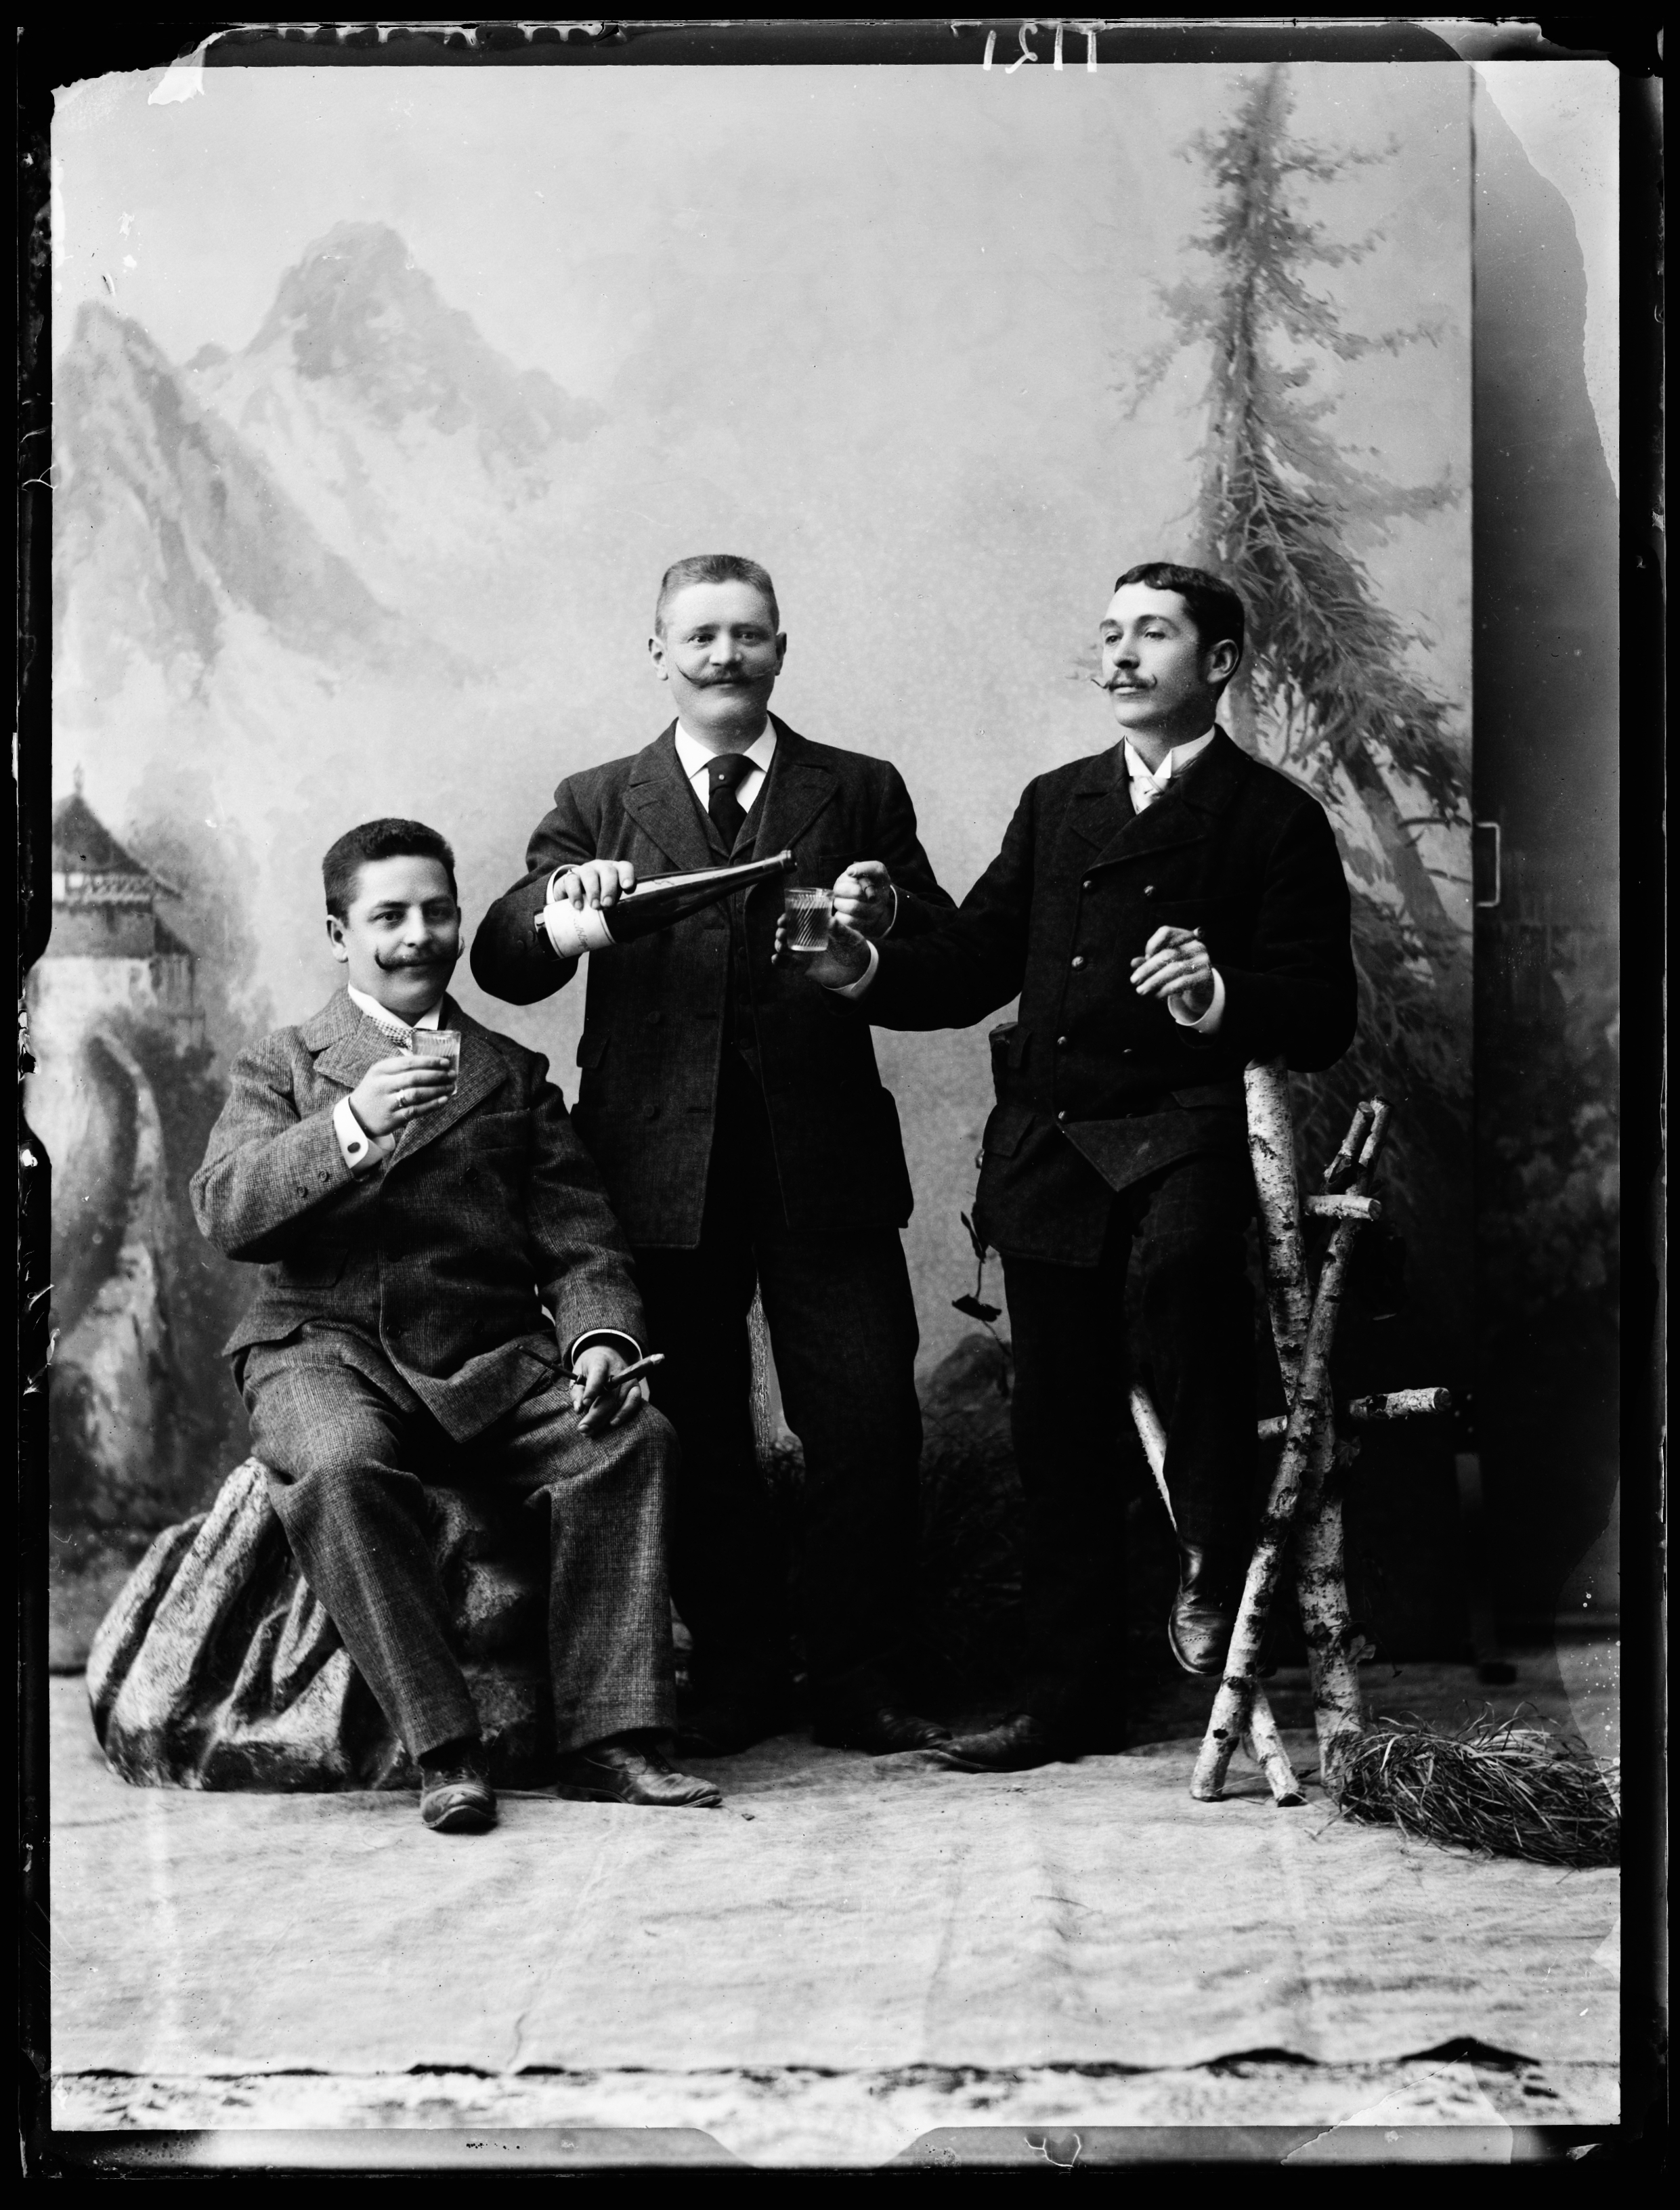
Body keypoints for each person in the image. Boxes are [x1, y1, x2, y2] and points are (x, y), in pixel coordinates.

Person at [802, 563, 1358, 1772]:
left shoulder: (1272, 819)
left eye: (1150, 634)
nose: (1119, 656)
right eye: (1109, 634)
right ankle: (1065, 1705)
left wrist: (1216, 996)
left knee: (1186, 1277)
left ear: (1218, 663)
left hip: (1184, 1130)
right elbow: (969, 963)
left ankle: (1211, 1548)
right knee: (1053, 1430)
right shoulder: (1057, 803)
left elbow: (1321, 1014)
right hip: (1054, 1144)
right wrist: (862, 968)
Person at [471, 555, 955, 1759]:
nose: (725, 655)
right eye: (700, 636)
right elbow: (504, 962)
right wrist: (564, 899)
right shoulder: (597, 799)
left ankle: (858, 1678)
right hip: (653, 1175)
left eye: (748, 634)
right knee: (691, 1434)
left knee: (866, 1424)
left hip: (823, 1166)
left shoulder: (860, 789)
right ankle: (736, 1673)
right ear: (658, 653)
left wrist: (877, 927)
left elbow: (944, 966)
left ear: (782, 647)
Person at [191, 818, 721, 1832]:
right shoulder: (285, 1063)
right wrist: (351, 1125)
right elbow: (226, 1211)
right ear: (340, 935)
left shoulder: (512, 1072)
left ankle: (610, 1742)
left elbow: (581, 1243)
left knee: (632, 1439)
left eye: (437, 913)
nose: (417, 938)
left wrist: (599, 1342)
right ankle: (446, 1750)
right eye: (388, 916)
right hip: (324, 1349)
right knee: (338, 1465)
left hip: (487, 1357)